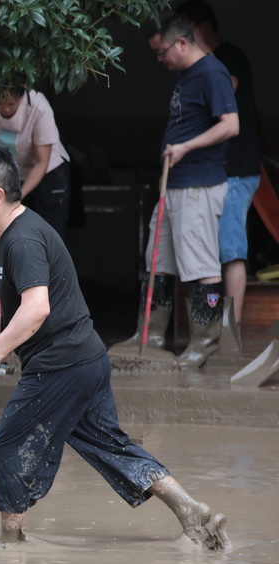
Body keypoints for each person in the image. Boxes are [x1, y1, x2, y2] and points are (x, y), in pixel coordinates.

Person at [0, 145, 230, 551]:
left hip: (61, 365)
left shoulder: (23, 241)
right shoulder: (17, 233)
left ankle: (10, 542)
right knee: (110, 446)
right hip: (85, 359)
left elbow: (36, 308)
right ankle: (190, 510)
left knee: (7, 443)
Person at [111, 13, 238, 368]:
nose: (159, 58)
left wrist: (185, 148)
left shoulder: (213, 73)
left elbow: (231, 125)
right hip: (175, 185)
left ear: (182, 42)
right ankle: (149, 335)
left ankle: (205, 343)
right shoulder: (187, 75)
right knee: (158, 261)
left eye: (162, 51)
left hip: (198, 185)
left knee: (200, 266)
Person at [177, 0, 261, 328]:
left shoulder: (229, 57)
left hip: (236, 170)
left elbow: (227, 87)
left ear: (203, 28)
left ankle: (231, 329)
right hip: (217, 172)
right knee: (213, 249)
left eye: (188, 30)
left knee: (231, 247)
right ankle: (214, 326)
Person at [0, 87, 72, 237]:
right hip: (10, 171)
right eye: (0, 103)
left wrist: (17, 194)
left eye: (11, 103)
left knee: (49, 232)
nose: (5, 109)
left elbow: (41, 162)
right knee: (14, 232)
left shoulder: (38, 106)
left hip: (47, 169)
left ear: (21, 96)